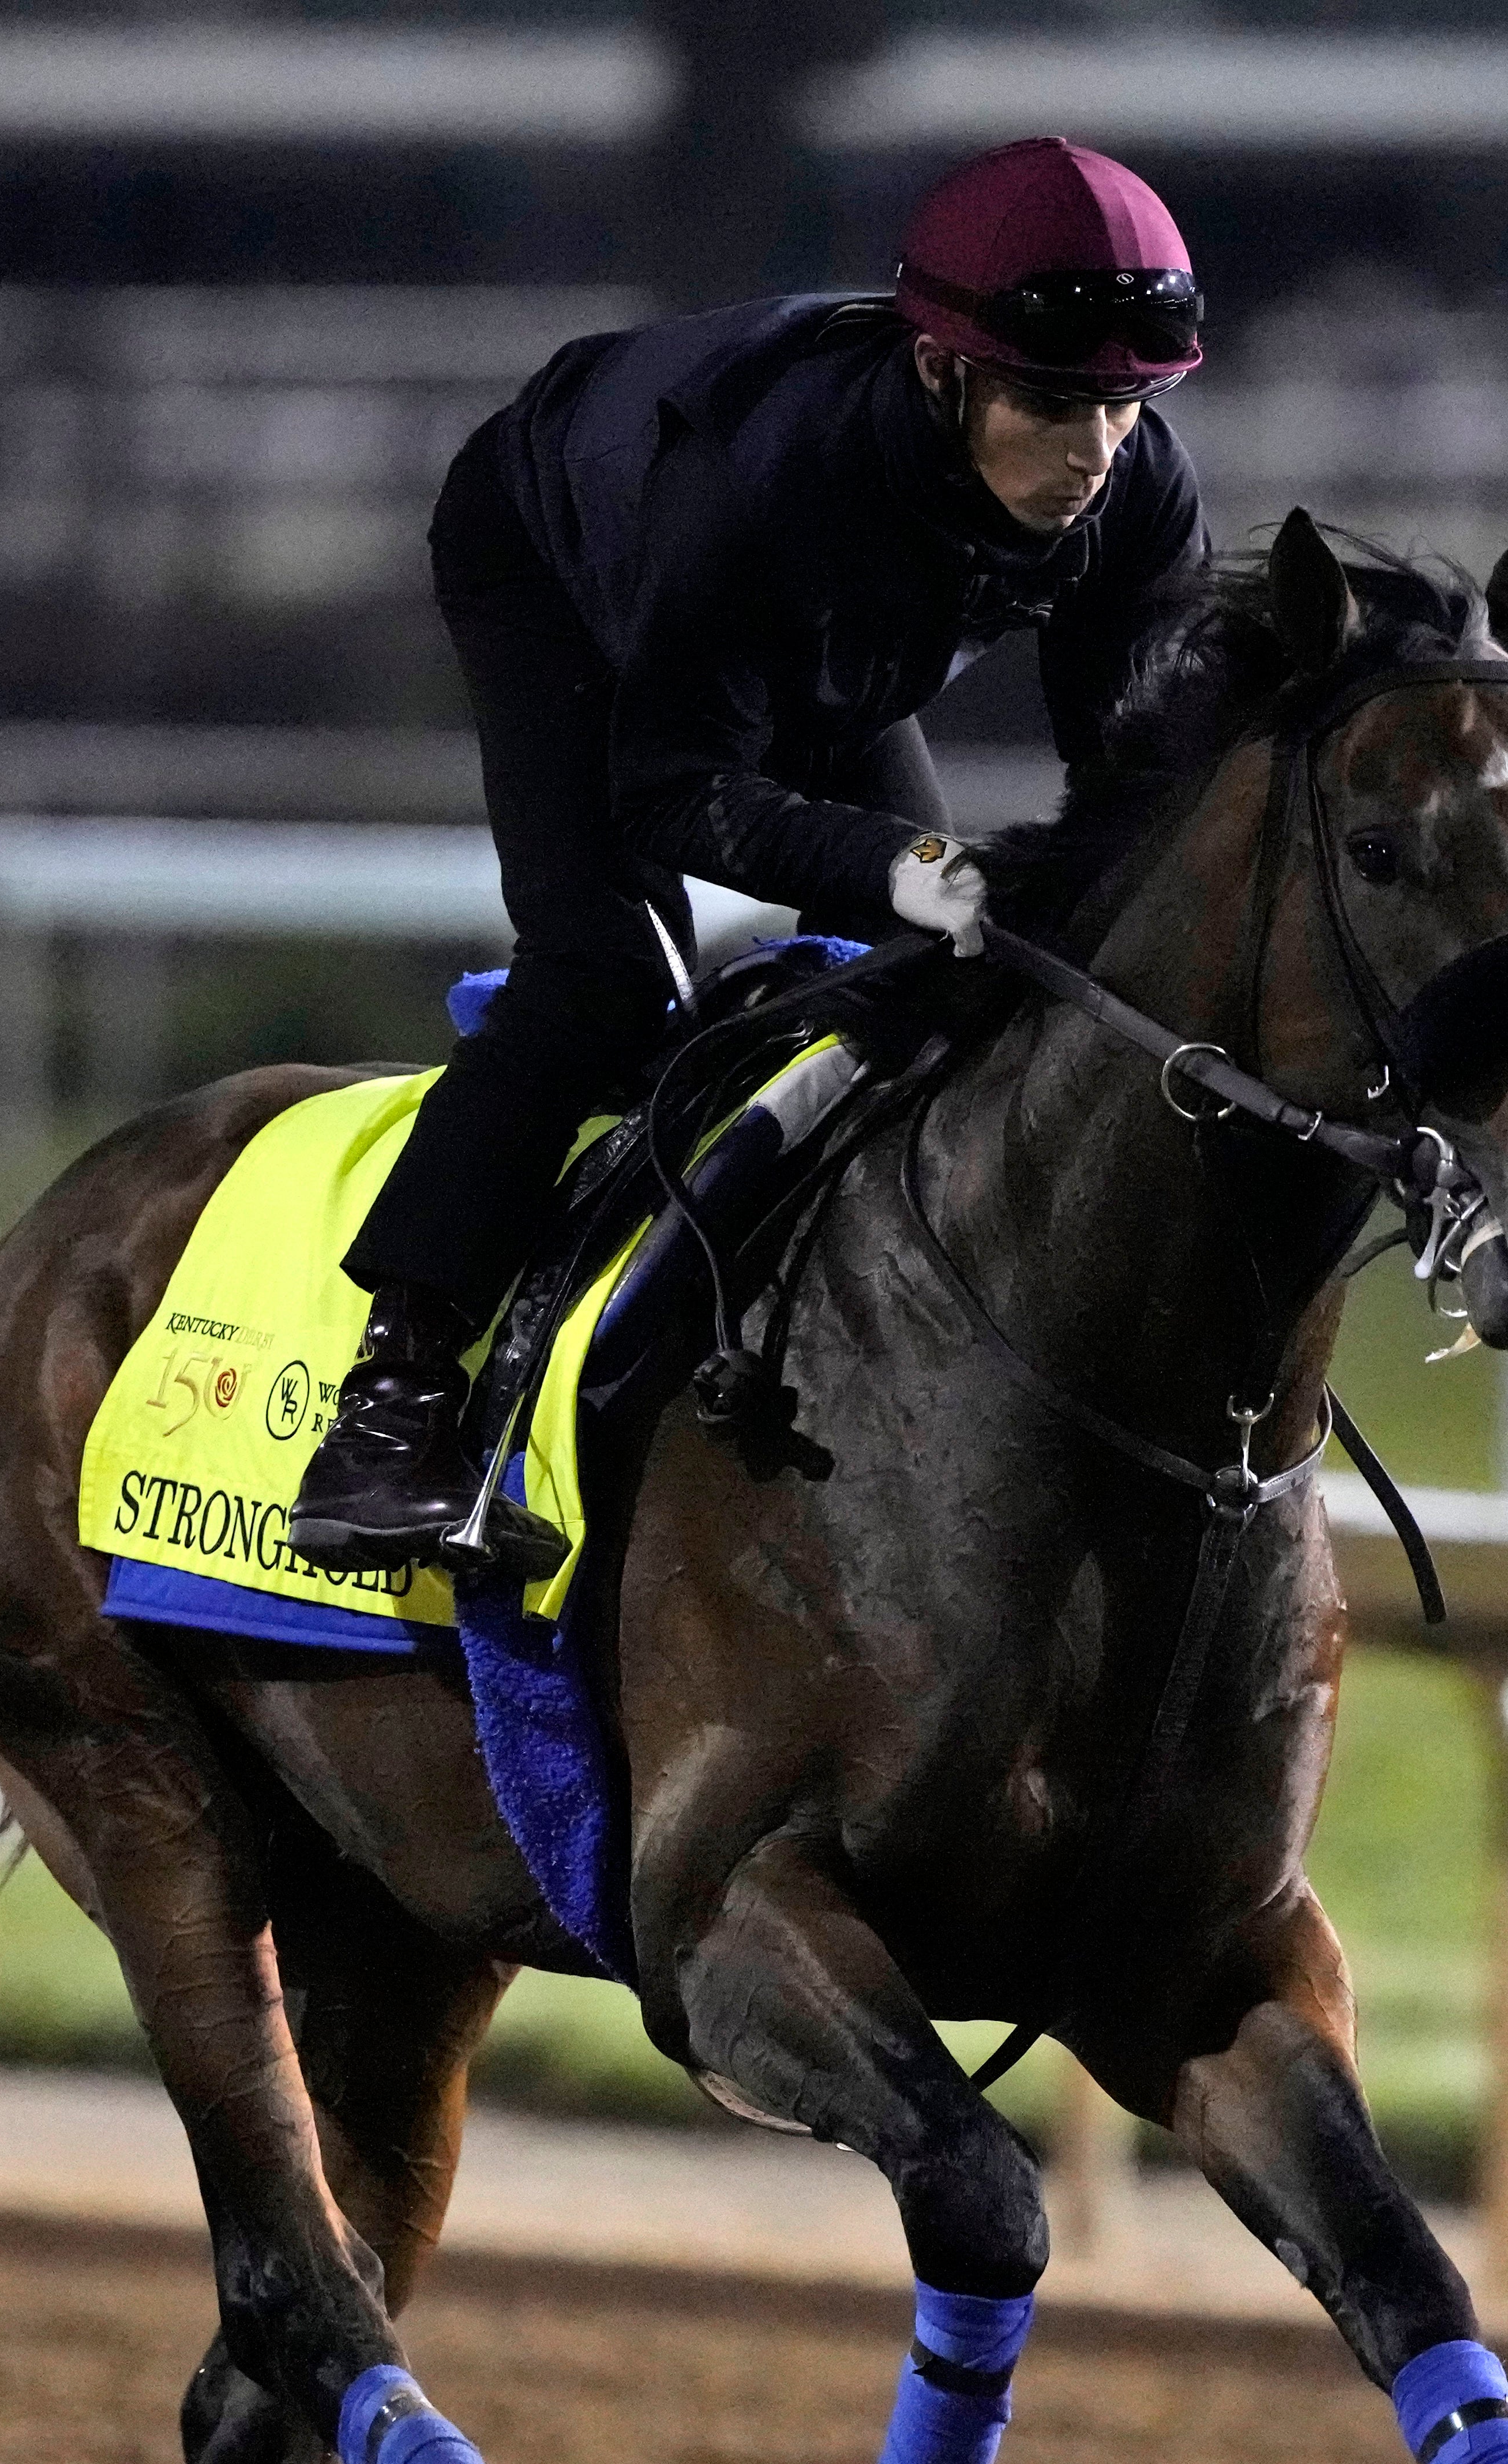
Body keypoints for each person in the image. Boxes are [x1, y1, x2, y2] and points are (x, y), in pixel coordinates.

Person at [287, 136, 1214, 1577]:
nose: (1092, 456)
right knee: (607, 980)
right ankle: (384, 1419)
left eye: (1123, 405)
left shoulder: (1134, 484)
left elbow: (1128, 782)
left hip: (818, 627)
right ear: (941, 368)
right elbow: (668, 797)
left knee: (954, 970)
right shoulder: (760, 484)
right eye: (1052, 403)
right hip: (562, 566)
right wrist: (905, 862)